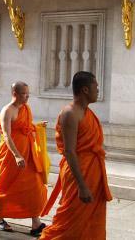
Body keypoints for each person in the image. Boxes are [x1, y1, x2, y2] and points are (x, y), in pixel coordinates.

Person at [40, 71, 112, 240]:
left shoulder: (87, 112)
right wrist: (82, 186)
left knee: (92, 221)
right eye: (96, 87)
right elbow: (70, 150)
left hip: (93, 171)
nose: (98, 90)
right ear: (85, 90)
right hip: (78, 174)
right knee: (69, 221)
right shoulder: (70, 113)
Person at [0, 81, 48, 236]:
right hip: (11, 154)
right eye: (24, 93)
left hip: (28, 154)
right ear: (15, 93)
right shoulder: (7, 111)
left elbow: (25, 127)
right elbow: (7, 135)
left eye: (28, 93)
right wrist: (17, 155)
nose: (27, 97)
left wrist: (37, 127)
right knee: (6, 184)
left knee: (35, 186)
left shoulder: (26, 108)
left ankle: (36, 223)